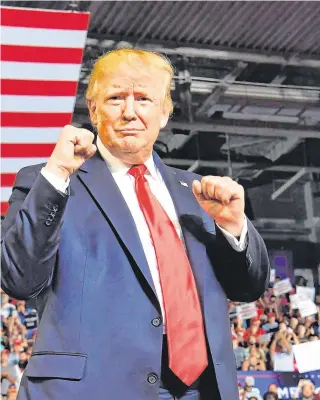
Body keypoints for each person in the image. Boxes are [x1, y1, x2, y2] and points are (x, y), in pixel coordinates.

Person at [1, 49, 270, 400]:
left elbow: (248, 288)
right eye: (115, 98)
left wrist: (235, 229)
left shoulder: (200, 193)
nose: (130, 111)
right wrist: (56, 176)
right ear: (94, 110)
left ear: (164, 112)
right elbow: (18, 278)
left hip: (202, 390)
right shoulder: (49, 181)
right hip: (94, 389)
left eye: (144, 98)